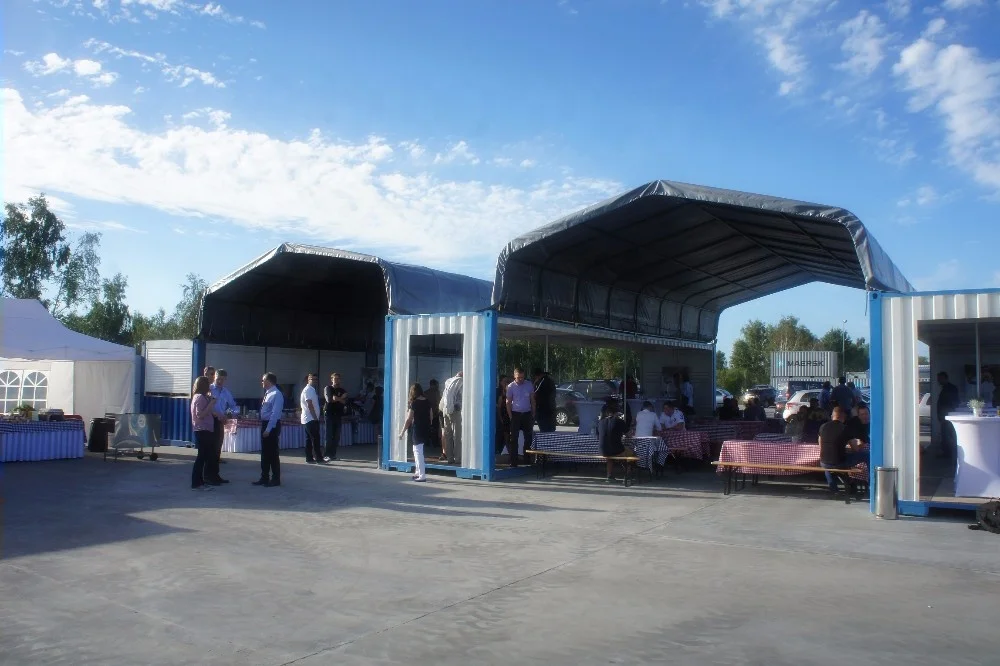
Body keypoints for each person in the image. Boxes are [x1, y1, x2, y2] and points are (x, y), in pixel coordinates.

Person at [819, 406, 869, 492]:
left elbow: (821, 445)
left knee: (827, 464)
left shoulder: (822, 427)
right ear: (844, 417)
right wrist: (861, 444)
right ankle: (872, 482)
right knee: (867, 455)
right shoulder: (845, 428)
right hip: (839, 462)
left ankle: (834, 489)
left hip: (823, 462)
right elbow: (855, 449)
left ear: (832, 416)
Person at [254, 372, 283, 487]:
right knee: (265, 453)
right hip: (265, 423)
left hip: (272, 425)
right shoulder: (268, 393)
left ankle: (275, 478)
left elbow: (275, 414)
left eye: (263, 380)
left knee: (272, 453)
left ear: (269, 381)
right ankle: (264, 477)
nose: (261, 382)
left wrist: (268, 429)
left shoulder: (277, 394)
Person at [399, 383, 431, 482]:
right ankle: (417, 472)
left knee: (418, 453)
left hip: (417, 429)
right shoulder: (427, 401)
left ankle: (422, 475)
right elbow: (431, 415)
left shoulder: (414, 403)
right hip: (425, 428)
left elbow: (409, 419)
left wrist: (402, 432)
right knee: (416, 450)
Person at [208, 368, 236, 481]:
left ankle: (216, 475)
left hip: (220, 421)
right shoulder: (209, 389)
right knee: (210, 448)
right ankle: (209, 475)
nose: (220, 381)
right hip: (209, 420)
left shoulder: (226, 392)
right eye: (218, 378)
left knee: (217, 448)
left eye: (222, 379)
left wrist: (229, 414)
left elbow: (233, 405)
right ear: (214, 377)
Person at [190, 375, 217, 491]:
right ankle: (196, 483)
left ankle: (200, 481)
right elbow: (200, 414)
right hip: (202, 430)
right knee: (201, 457)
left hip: (205, 429)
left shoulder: (201, 397)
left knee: (205, 456)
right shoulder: (200, 397)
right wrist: (211, 404)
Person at [598, 401, 633, 483]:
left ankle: (609, 476)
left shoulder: (600, 422)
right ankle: (627, 475)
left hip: (603, 450)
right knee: (631, 454)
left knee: (610, 457)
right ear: (616, 413)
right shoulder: (619, 421)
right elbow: (629, 434)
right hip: (616, 449)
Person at [506, 367, 535, 468]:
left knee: (528, 437)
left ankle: (527, 459)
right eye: (518, 378)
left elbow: (532, 400)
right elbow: (508, 402)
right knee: (514, 438)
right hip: (515, 414)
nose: (521, 379)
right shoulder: (510, 387)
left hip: (527, 414)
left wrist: (533, 414)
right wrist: (510, 416)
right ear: (514, 376)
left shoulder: (529, 385)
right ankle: (513, 461)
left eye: (522, 377)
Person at [439, 370, 464, 465]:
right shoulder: (461, 382)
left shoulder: (448, 381)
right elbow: (462, 397)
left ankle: (449, 458)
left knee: (448, 434)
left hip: (445, 410)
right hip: (455, 411)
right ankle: (458, 458)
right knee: (457, 435)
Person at [323, 372, 348, 462]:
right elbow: (329, 400)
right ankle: (326, 455)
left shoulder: (342, 390)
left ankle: (333, 454)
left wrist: (337, 398)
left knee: (336, 436)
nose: (336, 380)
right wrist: (341, 398)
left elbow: (345, 402)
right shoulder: (328, 388)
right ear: (331, 379)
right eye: (335, 378)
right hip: (329, 414)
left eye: (338, 378)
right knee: (329, 436)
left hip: (338, 415)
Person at [936, 371, 960, 459]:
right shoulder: (945, 388)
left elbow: (953, 402)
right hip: (945, 415)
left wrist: (947, 415)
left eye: (940, 379)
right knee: (945, 435)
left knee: (948, 435)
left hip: (948, 415)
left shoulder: (950, 388)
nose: (938, 381)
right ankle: (947, 453)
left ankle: (949, 454)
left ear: (945, 378)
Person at [300, 373, 322, 463]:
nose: (315, 381)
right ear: (308, 380)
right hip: (311, 418)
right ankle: (319, 458)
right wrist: (315, 417)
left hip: (308, 418)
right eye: (313, 379)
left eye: (316, 380)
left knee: (309, 439)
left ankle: (309, 458)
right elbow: (309, 404)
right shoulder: (309, 390)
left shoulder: (311, 389)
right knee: (315, 439)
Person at [533, 368, 557, 433]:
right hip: (550, 407)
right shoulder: (550, 381)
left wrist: (534, 383)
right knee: (550, 428)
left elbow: (535, 393)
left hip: (542, 408)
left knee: (544, 428)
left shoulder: (541, 382)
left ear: (537, 375)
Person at [424, 379, 442, 456]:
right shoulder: (436, 392)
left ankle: (426, 442)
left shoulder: (425, 393)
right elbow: (439, 403)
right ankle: (435, 443)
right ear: (435, 385)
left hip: (426, 414)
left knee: (427, 429)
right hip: (435, 413)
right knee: (435, 429)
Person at [496, 374, 511, 457]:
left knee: (507, 434)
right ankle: (499, 449)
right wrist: (500, 418)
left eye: (507, 382)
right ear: (500, 382)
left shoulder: (509, 391)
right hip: (502, 415)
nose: (506, 383)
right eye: (504, 381)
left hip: (508, 415)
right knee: (501, 433)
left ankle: (506, 450)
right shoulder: (498, 392)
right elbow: (499, 407)